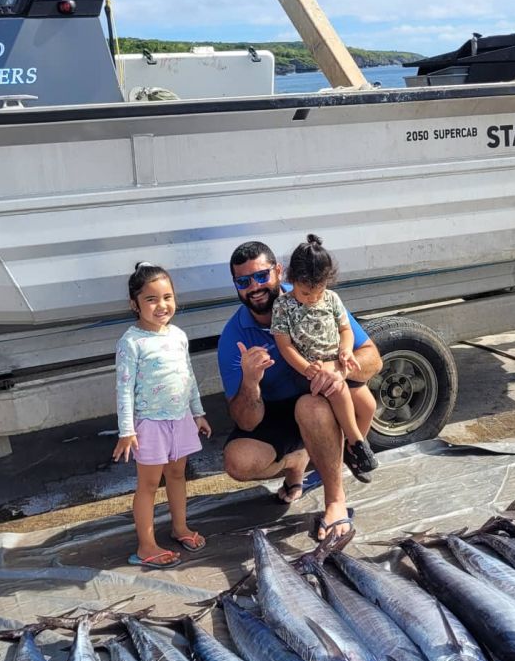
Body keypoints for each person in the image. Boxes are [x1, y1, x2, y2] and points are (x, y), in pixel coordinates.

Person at [218, 241, 382, 540]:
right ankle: (298, 460)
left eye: (261, 276)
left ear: (279, 272)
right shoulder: (233, 336)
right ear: (236, 286)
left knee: (327, 404)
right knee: (237, 461)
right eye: (243, 281)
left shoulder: (319, 296)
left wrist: (340, 369)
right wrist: (251, 382)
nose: (253, 287)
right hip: (276, 411)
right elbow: (246, 421)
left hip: (317, 399)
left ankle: (336, 501)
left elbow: (372, 357)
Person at [112, 261, 211, 568]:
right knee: (149, 485)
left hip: (179, 419)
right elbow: (124, 389)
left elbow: (188, 377)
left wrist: (198, 413)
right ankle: (146, 545)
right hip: (150, 425)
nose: (161, 305)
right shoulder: (131, 342)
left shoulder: (178, 335)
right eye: (151, 299)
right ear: (134, 304)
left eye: (167, 297)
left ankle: (179, 527)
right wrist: (127, 431)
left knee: (178, 474)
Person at [270, 234, 379, 478]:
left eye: (317, 292)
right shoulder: (283, 306)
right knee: (339, 390)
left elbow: (345, 330)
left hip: (337, 364)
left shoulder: (331, 299)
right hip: (308, 372)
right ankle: (358, 444)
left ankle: (352, 452)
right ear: (292, 279)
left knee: (368, 404)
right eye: (305, 293)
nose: (312, 299)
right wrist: (307, 368)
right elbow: (284, 345)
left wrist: (346, 350)